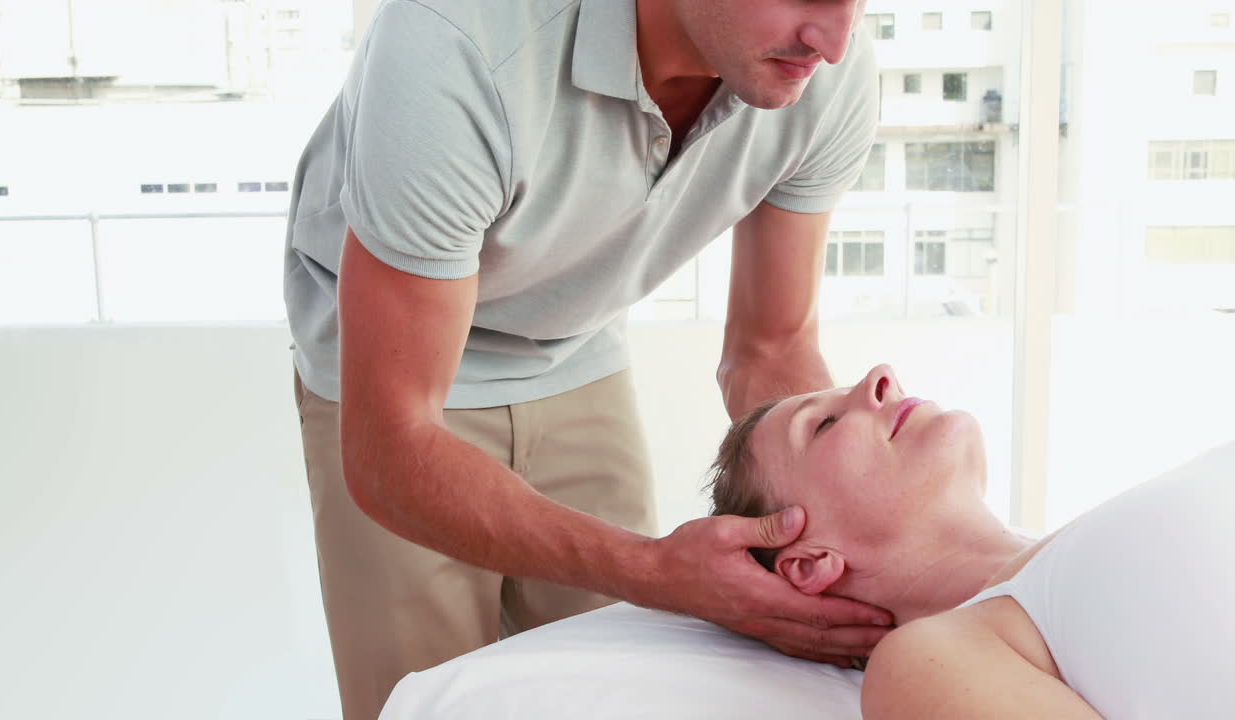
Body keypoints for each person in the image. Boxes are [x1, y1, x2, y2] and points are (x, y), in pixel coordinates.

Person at [283, 0, 891, 716]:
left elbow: (772, 347)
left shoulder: (825, 74)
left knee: (624, 683)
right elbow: (391, 442)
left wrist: (853, 531)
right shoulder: (453, 41)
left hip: (576, 346)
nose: (835, 40)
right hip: (394, 380)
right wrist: (653, 569)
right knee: (424, 694)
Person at [708, 363, 1235, 718]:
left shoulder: (1086, 543)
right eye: (822, 425)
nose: (881, 376)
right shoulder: (927, 660)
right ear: (810, 563)